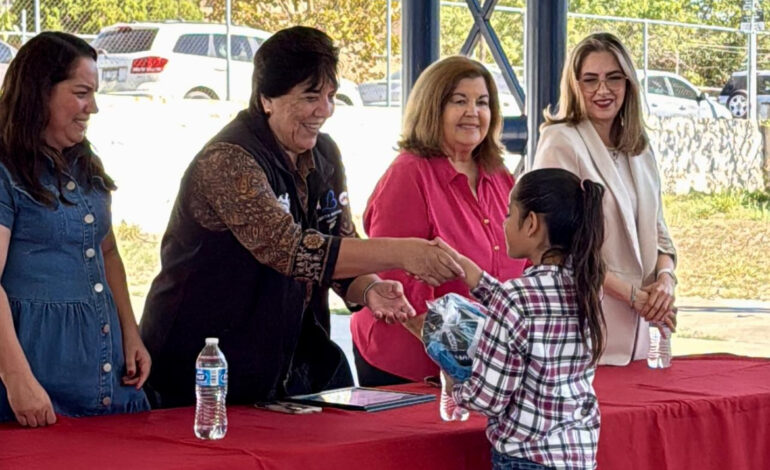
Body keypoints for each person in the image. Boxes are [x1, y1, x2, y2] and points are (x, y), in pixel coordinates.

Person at [139, 26, 464, 408]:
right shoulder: (227, 161)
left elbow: (339, 240)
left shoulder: (324, 153)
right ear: (266, 99)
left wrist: (370, 287)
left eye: (329, 96)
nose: (325, 110)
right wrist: (405, 253)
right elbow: (293, 252)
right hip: (206, 373)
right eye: (311, 97)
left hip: (293, 366)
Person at [0, 32, 150, 427]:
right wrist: (17, 379)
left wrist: (130, 334)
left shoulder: (85, 164)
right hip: (36, 394)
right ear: (40, 91)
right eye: (82, 92)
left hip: (106, 386)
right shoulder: (5, 172)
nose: (93, 108)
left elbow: (108, 252)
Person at [350, 56, 527, 386]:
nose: (473, 112)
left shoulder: (499, 175)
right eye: (459, 101)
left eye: (483, 102)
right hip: (414, 365)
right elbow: (396, 286)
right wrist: (461, 359)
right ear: (433, 108)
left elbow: (525, 260)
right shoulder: (409, 174)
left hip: (485, 366)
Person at [442, 168, 607, 470]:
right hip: (580, 455)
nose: (504, 223)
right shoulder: (588, 290)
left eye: (508, 213)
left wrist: (454, 384)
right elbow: (531, 309)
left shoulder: (515, 298)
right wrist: (473, 274)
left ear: (530, 223)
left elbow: (487, 399)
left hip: (525, 459)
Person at [533, 32, 677, 366]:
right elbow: (560, 247)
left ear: (628, 84)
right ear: (575, 86)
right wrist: (635, 297)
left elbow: (660, 236)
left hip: (642, 335)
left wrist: (665, 283)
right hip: (584, 333)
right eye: (590, 80)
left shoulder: (640, 149)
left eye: (614, 78)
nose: (603, 90)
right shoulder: (560, 142)